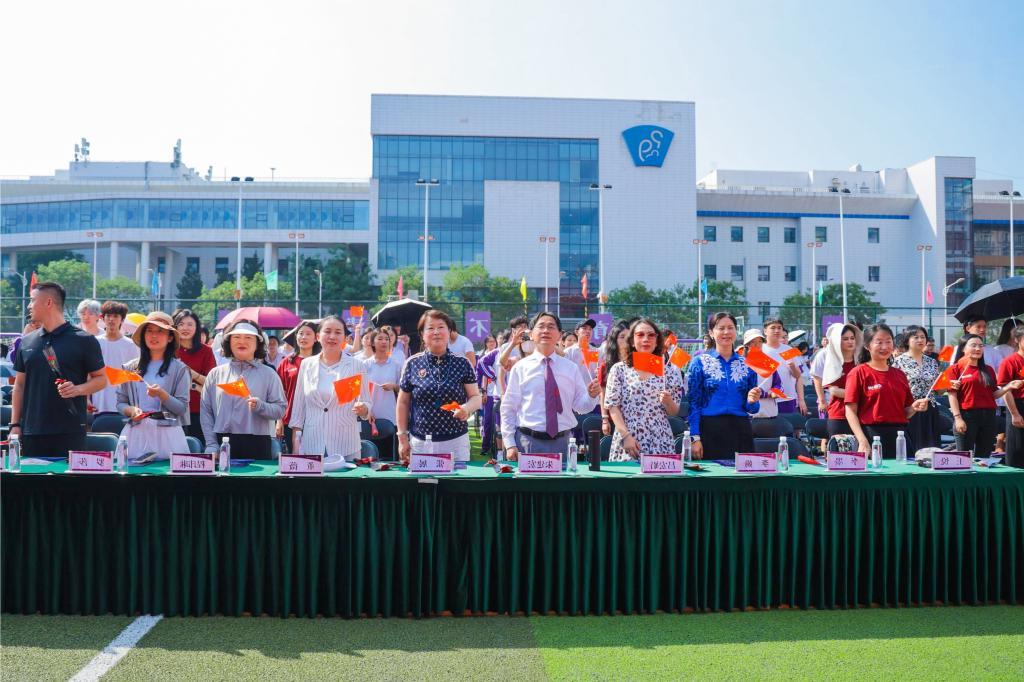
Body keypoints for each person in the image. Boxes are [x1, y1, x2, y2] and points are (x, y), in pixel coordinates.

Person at [10, 282, 107, 457]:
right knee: (31, 484)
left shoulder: (84, 340)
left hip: (70, 432)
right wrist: (15, 425)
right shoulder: (26, 342)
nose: (28, 305)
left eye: (32, 300)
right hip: (32, 432)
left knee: (67, 485)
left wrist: (78, 389)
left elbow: (101, 379)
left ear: (48, 302)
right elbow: (19, 386)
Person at [501, 312, 601, 460]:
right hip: (528, 442)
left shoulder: (570, 368)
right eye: (541, 326)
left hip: (563, 442)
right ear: (532, 334)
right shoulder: (520, 368)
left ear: (559, 335)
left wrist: (592, 395)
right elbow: (509, 407)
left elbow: (581, 406)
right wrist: (509, 443)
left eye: (551, 327)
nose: (546, 330)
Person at [397, 310, 482, 463]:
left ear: (449, 332)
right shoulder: (412, 363)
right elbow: (403, 402)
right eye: (430, 328)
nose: (436, 332)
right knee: (424, 485)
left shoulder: (462, 363)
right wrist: (402, 437)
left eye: (441, 327)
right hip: (421, 442)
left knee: (456, 485)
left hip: (456, 441)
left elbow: (476, 397)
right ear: (422, 334)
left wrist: (466, 408)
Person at [200, 320, 287, 458]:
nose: (242, 341)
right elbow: (206, 411)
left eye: (248, 337)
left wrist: (261, 406)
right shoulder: (215, 374)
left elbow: (280, 409)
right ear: (228, 341)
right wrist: (211, 443)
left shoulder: (269, 374)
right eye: (236, 337)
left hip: (257, 443)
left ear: (257, 343)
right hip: (221, 442)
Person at [289, 316, 370, 458]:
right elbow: (298, 408)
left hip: (346, 444)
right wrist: (296, 443)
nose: (332, 336)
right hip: (312, 443)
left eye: (338, 332)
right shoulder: (306, 364)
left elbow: (366, 403)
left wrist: (363, 409)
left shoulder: (356, 366)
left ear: (345, 338)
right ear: (318, 336)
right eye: (327, 331)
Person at [845, 324, 929, 457]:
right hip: (871, 437)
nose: (885, 347)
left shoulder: (899, 374)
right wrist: (862, 440)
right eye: (879, 342)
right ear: (867, 346)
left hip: (900, 437)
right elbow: (850, 411)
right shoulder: (858, 372)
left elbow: (905, 412)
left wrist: (914, 408)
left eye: (888, 341)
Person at [114, 312, 190, 459]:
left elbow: (181, 408)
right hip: (135, 433)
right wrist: (131, 410)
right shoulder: (129, 367)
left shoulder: (179, 369)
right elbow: (120, 403)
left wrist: (162, 395)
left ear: (170, 337)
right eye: (149, 331)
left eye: (160, 331)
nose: (153, 336)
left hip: (168, 435)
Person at [686, 312, 762, 460]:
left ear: (736, 331)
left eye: (730, 327)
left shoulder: (748, 364)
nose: (726, 332)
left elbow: (752, 409)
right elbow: (693, 403)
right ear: (711, 333)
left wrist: (753, 401)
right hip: (709, 429)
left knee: (743, 480)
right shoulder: (699, 362)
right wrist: (695, 438)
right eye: (721, 328)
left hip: (741, 429)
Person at [605, 318, 682, 460]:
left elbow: (674, 411)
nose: (646, 339)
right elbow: (613, 407)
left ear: (657, 340)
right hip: (628, 439)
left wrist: (669, 401)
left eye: (651, 335)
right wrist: (626, 436)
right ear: (632, 341)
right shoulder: (619, 369)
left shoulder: (669, 371)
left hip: (660, 440)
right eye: (640, 335)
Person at [948, 334, 1021, 459]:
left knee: (984, 458)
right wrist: (958, 418)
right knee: (964, 458)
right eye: (973, 345)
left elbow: (992, 395)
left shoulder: (988, 370)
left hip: (989, 417)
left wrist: (1008, 387)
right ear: (963, 349)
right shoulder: (955, 369)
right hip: (967, 416)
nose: (978, 349)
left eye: (981, 346)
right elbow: (952, 395)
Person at [891, 325, 942, 449]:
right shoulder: (899, 361)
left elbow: (938, 390)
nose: (920, 340)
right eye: (916, 337)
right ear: (907, 340)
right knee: (913, 447)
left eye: (923, 337)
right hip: (910, 409)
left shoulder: (932, 362)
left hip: (930, 409)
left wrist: (949, 384)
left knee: (931, 448)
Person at [173, 309, 218, 444]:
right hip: (173, 410)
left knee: (198, 448)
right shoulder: (169, 350)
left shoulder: (206, 351)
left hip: (199, 409)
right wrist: (194, 385)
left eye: (189, 324)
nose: (185, 328)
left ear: (196, 327)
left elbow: (211, 384)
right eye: (181, 324)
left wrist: (192, 374)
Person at [277, 320, 320, 453]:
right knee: (295, 458)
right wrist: (279, 420)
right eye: (300, 334)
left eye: (308, 334)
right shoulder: (286, 362)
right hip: (290, 419)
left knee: (315, 457)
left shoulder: (322, 361)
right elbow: (278, 394)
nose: (304, 337)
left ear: (316, 338)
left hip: (317, 419)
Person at [93, 300, 140, 415]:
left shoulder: (131, 345)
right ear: (103, 318)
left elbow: (136, 375)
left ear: (122, 320)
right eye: (108, 316)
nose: (111, 319)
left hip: (124, 404)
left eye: (115, 316)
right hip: (99, 401)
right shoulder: (94, 342)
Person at [820, 323, 862, 438]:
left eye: (852, 338)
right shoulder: (833, 363)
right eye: (845, 339)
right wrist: (862, 395)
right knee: (840, 454)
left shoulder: (861, 362)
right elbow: (834, 391)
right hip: (839, 415)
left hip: (861, 414)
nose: (850, 341)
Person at [762, 318, 808, 415]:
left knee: (790, 429)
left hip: (788, 399)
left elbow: (798, 376)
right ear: (765, 331)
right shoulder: (760, 350)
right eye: (773, 328)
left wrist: (801, 400)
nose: (777, 330)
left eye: (779, 328)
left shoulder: (789, 350)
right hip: (766, 399)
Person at [996, 326, 1024, 468]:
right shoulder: (1009, 362)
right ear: (1017, 340)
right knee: (1017, 447)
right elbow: (1006, 390)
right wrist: (1015, 413)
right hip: (1018, 405)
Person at [741, 329, 784, 419]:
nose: (757, 345)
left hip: (770, 414)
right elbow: (741, 390)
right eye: (753, 342)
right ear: (747, 344)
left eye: (760, 341)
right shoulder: (740, 364)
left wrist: (776, 391)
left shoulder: (769, 363)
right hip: (749, 416)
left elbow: (778, 384)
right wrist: (765, 394)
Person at [363, 328, 402, 424]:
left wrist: (394, 386)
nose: (384, 342)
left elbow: (403, 390)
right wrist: (366, 411)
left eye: (386, 339)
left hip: (390, 415)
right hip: (369, 416)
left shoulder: (396, 365)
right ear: (372, 343)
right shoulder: (365, 365)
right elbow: (360, 392)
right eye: (380, 339)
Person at [599, 321, 631, 435]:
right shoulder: (606, 365)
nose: (626, 340)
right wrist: (605, 419)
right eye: (622, 337)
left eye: (629, 336)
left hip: (635, 418)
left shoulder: (638, 363)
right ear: (614, 340)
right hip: (614, 420)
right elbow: (603, 393)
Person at [564, 318, 599, 382]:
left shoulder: (596, 351)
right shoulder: (568, 352)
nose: (588, 331)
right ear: (577, 332)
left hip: (592, 390)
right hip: (575, 390)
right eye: (584, 328)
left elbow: (599, 373)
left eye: (590, 329)